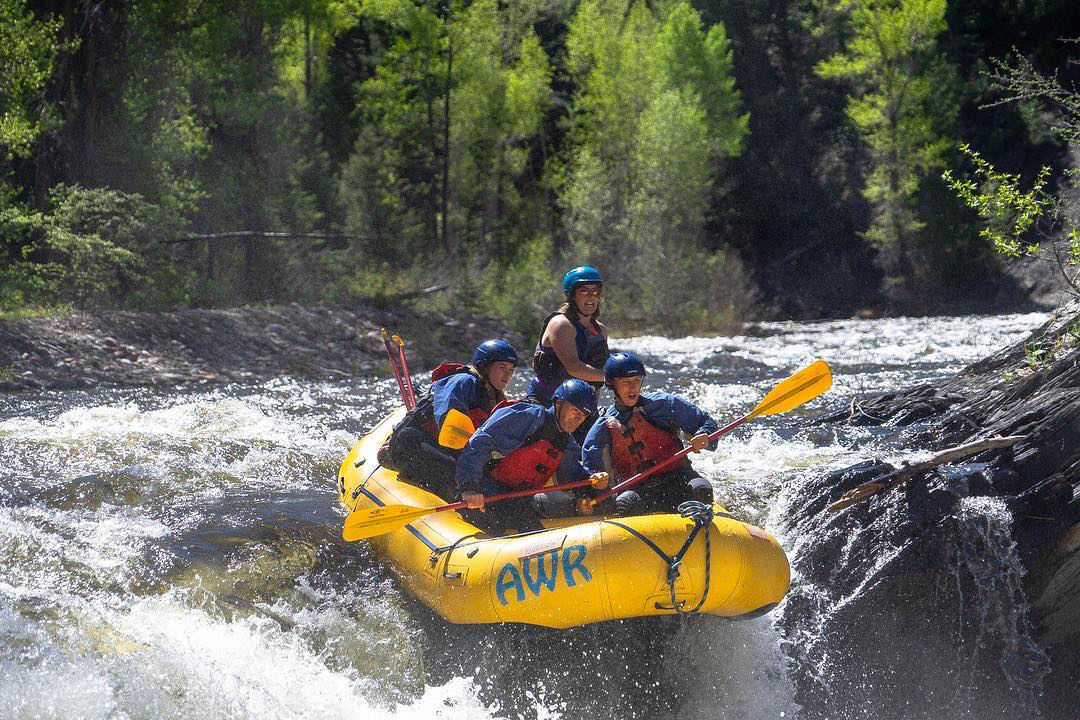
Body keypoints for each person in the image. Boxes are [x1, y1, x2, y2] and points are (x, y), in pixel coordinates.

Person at [455, 379, 609, 534]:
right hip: (485, 494)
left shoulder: (565, 442)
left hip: (516, 504)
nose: (579, 419)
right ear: (558, 403)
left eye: (584, 415)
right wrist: (469, 488)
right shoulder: (529, 417)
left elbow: (572, 475)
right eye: (575, 410)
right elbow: (480, 442)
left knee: (532, 529)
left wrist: (591, 484)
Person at [582, 352, 717, 516]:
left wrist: (704, 434)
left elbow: (705, 421)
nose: (633, 387)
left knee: (702, 489)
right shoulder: (603, 427)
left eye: (636, 380)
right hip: (640, 490)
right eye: (625, 382)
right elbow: (591, 468)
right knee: (624, 503)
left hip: (679, 478)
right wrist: (596, 481)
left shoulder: (665, 404)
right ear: (611, 384)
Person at [382, 339, 518, 498]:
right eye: (502, 367)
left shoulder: (494, 396)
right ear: (484, 367)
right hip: (411, 445)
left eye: (511, 369)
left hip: (442, 450)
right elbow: (449, 424)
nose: (508, 374)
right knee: (477, 485)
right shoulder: (464, 381)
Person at [527, 266, 610, 407]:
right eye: (584, 291)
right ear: (571, 295)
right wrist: (613, 377)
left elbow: (596, 382)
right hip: (547, 402)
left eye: (595, 291)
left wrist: (592, 410)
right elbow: (574, 368)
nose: (591, 296)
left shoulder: (601, 330)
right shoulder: (561, 324)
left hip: (581, 406)